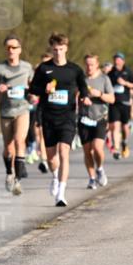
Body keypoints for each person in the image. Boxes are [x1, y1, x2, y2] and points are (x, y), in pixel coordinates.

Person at [28, 32, 91, 207]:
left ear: (66, 49)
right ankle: (55, 177)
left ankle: (61, 193)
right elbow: (33, 89)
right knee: (51, 157)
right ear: (51, 49)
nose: (58, 53)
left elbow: (83, 88)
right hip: (49, 117)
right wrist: (44, 90)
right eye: (55, 50)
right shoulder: (43, 68)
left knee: (64, 152)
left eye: (61, 49)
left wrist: (84, 97)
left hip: (68, 117)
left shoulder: (75, 70)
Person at [0, 34, 33, 195]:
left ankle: (18, 179)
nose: (11, 50)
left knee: (20, 141)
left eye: (14, 47)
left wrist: (33, 94)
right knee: (8, 147)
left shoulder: (27, 67)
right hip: (6, 110)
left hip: (22, 109)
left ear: (20, 49)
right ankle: (9, 173)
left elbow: (33, 88)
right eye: (8, 48)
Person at [79, 54, 114, 189]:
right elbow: (75, 95)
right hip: (84, 119)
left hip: (100, 118)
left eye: (92, 64)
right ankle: (92, 178)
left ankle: (99, 168)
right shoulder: (81, 79)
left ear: (97, 65)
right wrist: (83, 99)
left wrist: (99, 94)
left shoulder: (104, 79)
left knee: (97, 148)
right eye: (87, 64)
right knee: (87, 151)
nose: (89, 67)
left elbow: (112, 99)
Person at [107, 52, 133, 160]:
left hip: (125, 102)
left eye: (118, 59)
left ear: (123, 61)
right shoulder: (111, 73)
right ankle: (116, 148)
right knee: (115, 125)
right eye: (115, 59)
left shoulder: (128, 72)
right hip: (114, 103)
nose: (116, 61)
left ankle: (125, 141)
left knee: (125, 126)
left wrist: (125, 83)